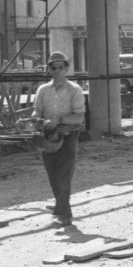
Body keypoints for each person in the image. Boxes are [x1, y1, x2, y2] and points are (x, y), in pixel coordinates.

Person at [31, 51, 86, 225]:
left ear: (66, 69)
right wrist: (36, 119)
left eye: (60, 67)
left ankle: (65, 214)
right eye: (53, 67)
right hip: (47, 135)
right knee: (52, 173)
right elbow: (37, 110)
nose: (57, 71)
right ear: (49, 69)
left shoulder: (74, 90)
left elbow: (79, 116)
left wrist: (59, 121)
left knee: (64, 174)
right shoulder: (43, 90)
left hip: (68, 134)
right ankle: (60, 207)